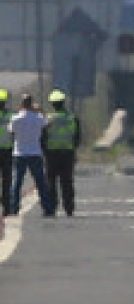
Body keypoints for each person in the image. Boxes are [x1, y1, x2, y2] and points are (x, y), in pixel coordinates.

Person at [10, 93, 55, 216]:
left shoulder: (16, 118)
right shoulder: (38, 118)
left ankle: (13, 208)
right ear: (31, 104)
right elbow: (48, 123)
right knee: (40, 182)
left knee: (17, 182)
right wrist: (39, 110)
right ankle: (47, 208)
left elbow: (11, 130)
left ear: (21, 104)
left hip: (19, 153)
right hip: (35, 152)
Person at [43, 89, 80, 217]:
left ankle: (51, 208)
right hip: (67, 153)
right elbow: (77, 137)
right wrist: (73, 149)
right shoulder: (72, 118)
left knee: (51, 182)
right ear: (63, 102)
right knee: (67, 182)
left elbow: (43, 137)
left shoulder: (48, 119)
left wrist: (44, 151)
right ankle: (69, 208)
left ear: (53, 104)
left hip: (52, 154)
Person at [0, 89, 13, 216]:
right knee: (6, 180)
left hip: (7, 151)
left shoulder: (11, 116)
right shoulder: (11, 116)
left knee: (6, 180)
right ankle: (6, 206)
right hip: (7, 151)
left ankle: (6, 205)